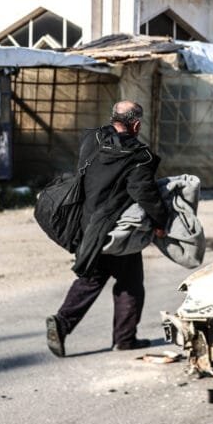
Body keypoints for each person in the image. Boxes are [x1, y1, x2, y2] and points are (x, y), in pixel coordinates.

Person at [46, 100, 169, 357]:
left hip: (86, 225)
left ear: (113, 118)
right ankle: (124, 338)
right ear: (136, 124)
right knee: (130, 283)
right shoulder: (138, 156)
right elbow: (145, 193)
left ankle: (62, 322)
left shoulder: (92, 139)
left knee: (92, 279)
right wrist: (160, 223)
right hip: (115, 231)